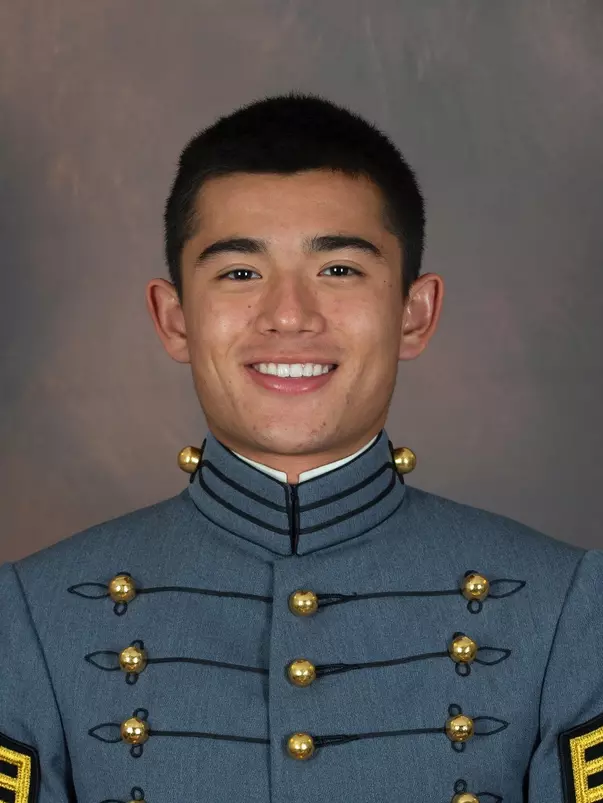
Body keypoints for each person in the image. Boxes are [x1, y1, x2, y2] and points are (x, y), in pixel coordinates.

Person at [1, 93, 601, 803]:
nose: (289, 315)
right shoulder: (31, 616)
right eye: (240, 273)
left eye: (339, 270)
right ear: (174, 319)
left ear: (415, 313)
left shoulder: (567, 607)